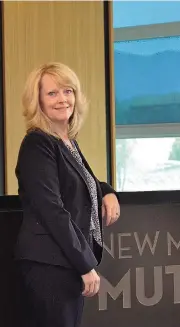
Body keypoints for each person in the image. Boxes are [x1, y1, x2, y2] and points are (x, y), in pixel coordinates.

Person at [14, 62, 121, 327]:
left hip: (62, 264)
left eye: (68, 91)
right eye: (52, 93)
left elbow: (82, 182)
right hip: (50, 266)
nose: (63, 99)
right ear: (37, 100)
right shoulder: (38, 144)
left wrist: (106, 191)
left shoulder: (66, 141)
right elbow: (52, 210)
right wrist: (85, 264)